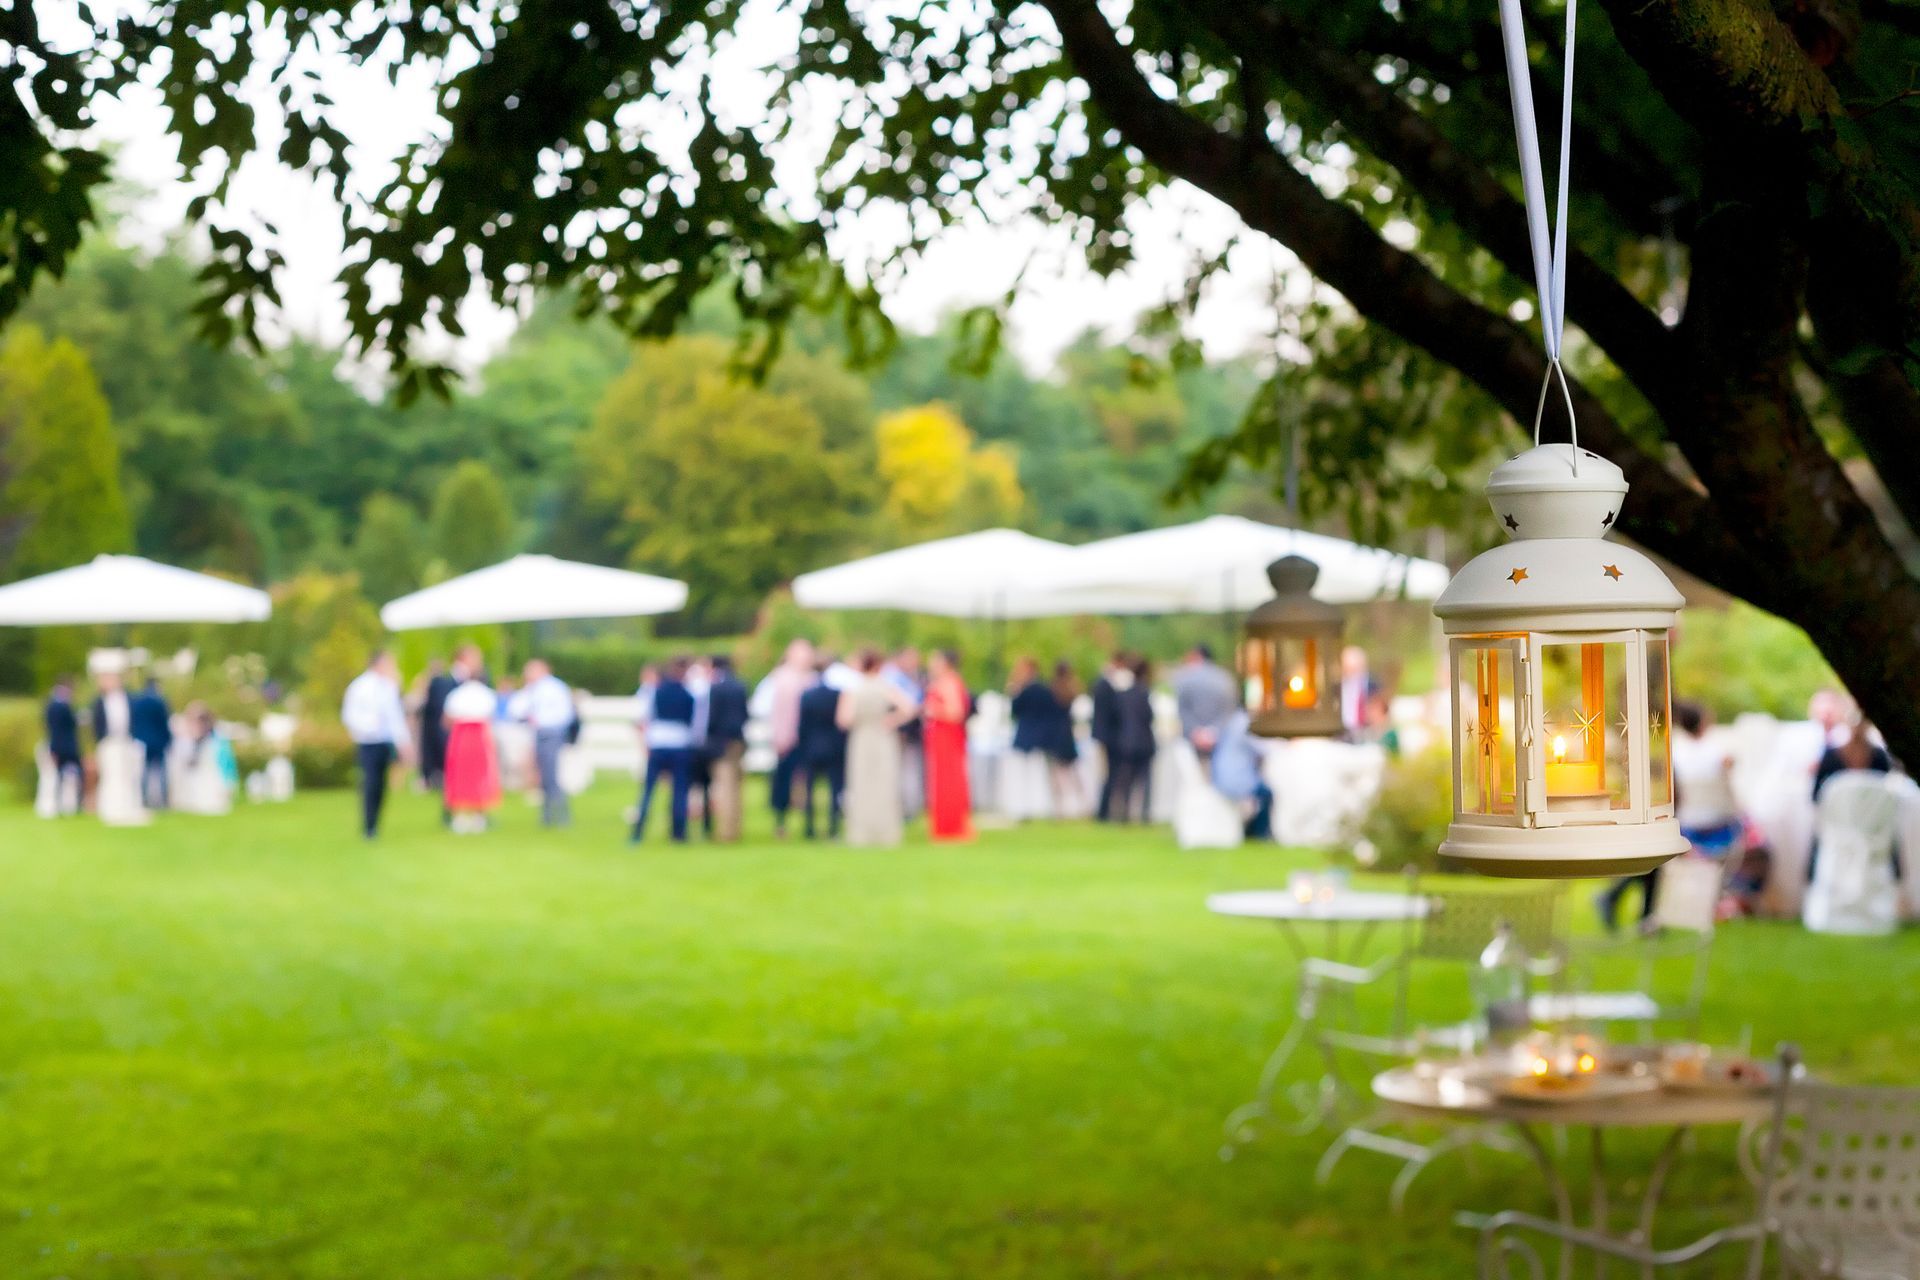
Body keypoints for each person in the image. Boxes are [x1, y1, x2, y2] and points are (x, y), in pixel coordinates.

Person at [839, 648, 916, 847]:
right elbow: (909, 707)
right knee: (884, 783)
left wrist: (862, 719)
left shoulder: (854, 688)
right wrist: (891, 720)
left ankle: (861, 832)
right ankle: (887, 832)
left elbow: (844, 720)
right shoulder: (885, 686)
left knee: (862, 783)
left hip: (862, 738)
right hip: (883, 737)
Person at [341, 650, 413, 839]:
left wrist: (403, 742)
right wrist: (368, 727)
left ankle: (375, 823)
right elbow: (350, 715)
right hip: (368, 741)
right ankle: (369, 825)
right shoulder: (359, 687)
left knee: (381, 783)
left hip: (385, 741)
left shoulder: (389, 687)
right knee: (371, 781)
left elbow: (395, 717)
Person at [633, 656, 698, 844]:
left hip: (658, 743)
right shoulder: (688, 694)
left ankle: (638, 832)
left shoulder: (656, 692)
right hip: (680, 744)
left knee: (648, 790)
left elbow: (646, 718)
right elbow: (693, 722)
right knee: (679, 791)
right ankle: (678, 833)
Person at [755, 639, 815, 838]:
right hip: (785, 739)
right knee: (783, 782)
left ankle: (809, 824)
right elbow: (764, 708)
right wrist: (779, 735)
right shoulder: (777, 678)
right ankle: (781, 823)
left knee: (808, 782)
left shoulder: (813, 678)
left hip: (808, 739)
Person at [513, 658, 576, 828]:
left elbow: (564, 713)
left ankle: (561, 816)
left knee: (551, 776)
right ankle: (547, 816)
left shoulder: (554, 688)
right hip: (539, 733)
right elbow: (517, 709)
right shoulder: (532, 689)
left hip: (551, 733)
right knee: (544, 777)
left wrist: (541, 721)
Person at [923, 648, 975, 842]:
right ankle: (944, 824)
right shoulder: (942, 682)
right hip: (940, 737)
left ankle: (951, 826)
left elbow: (956, 713)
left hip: (947, 737)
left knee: (949, 779)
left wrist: (933, 710)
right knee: (941, 780)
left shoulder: (949, 682)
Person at [442, 669, 501, 833]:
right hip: (480, 737)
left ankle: (459, 816)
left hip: (461, 736)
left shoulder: (456, 694)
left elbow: (447, 719)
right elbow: (493, 717)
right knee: (479, 775)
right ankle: (478, 815)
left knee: (459, 775)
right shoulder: (488, 694)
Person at [796, 662, 848, 839]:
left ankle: (809, 827)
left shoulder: (807, 695)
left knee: (809, 788)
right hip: (833, 748)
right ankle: (833, 827)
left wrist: (802, 748)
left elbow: (802, 726)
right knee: (835, 788)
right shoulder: (837, 695)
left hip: (811, 747)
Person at [702, 655, 751, 842]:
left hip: (721, 743)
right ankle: (735, 828)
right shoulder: (740, 685)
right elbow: (745, 714)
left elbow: (712, 718)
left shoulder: (716, 688)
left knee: (725, 787)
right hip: (738, 741)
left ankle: (726, 832)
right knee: (737, 786)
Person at [90, 669, 145, 825]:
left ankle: (129, 807)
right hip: (108, 743)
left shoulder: (130, 698)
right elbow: (96, 724)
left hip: (127, 742)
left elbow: (135, 719)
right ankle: (111, 809)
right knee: (110, 775)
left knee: (128, 776)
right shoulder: (99, 701)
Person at [1108, 655, 1158, 823]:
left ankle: (1123, 813)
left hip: (1126, 742)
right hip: (1143, 742)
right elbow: (1149, 716)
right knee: (1144, 781)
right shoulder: (1144, 693)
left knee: (1125, 781)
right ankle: (1143, 814)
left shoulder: (1123, 695)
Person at [1005, 656, 1056, 820]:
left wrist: (1014, 692)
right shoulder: (1045, 690)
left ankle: (1026, 806)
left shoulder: (1024, 690)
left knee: (1027, 774)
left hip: (1026, 736)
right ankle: (1037, 806)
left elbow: (1015, 710)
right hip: (1038, 737)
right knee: (1036, 773)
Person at [1211, 709, 1274, 839]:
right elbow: (1262, 748)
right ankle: (1259, 833)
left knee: (1262, 793)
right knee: (1266, 794)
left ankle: (1253, 830)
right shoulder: (1244, 725)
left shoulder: (1232, 722)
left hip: (1222, 778)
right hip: (1236, 780)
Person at [1169, 643, 1239, 755]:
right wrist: (1213, 733)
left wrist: (1196, 732)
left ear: (1197, 655)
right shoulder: (1225, 678)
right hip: (1219, 740)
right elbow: (1230, 710)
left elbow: (1182, 709)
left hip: (1193, 740)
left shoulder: (1185, 676)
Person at [883, 647, 926, 820]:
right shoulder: (892, 678)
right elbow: (910, 706)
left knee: (909, 771)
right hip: (899, 733)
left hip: (913, 733)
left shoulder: (916, 678)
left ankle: (909, 807)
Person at [1043, 660, 1087, 817]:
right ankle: (1082, 805)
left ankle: (1059, 808)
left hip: (1055, 734)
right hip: (1066, 733)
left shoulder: (1052, 689)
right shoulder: (1070, 689)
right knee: (1073, 773)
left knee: (1057, 774)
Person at [1089, 652, 1128, 822]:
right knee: (1107, 775)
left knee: (1107, 775)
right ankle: (1103, 812)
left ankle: (1105, 811)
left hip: (1105, 736)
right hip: (1108, 737)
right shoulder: (1106, 686)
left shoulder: (1103, 684)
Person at [130, 675, 174, 810]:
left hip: (141, 741)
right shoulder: (159, 701)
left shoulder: (137, 701)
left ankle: (143, 799)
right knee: (161, 772)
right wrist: (168, 740)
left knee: (143, 772)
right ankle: (164, 800)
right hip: (158, 741)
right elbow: (164, 722)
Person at [43, 677, 83, 816]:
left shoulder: (50, 705)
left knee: (59, 776)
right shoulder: (64, 706)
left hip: (56, 745)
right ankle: (75, 804)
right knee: (75, 774)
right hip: (67, 746)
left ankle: (60, 805)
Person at [1339, 645, 1375, 741]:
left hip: (1365, 732)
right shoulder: (1336, 686)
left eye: (1353, 668)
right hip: (1341, 733)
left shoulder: (1372, 686)